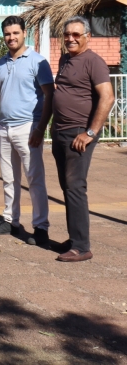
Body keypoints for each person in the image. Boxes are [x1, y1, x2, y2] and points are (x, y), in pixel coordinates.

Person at [0, 16, 54, 245]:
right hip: (4, 127)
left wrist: (41, 128)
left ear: (24, 34)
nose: (11, 37)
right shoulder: (1, 63)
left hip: (28, 127)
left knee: (35, 180)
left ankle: (40, 227)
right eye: (7, 34)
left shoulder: (37, 61)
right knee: (9, 179)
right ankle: (11, 221)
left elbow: (50, 95)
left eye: (15, 33)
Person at [49, 16, 114, 262]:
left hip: (79, 133)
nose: (70, 39)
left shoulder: (94, 62)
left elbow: (107, 98)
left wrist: (89, 133)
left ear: (88, 36)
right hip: (61, 131)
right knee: (67, 187)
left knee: (75, 187)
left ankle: (82, 247)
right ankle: (75, 237)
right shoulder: (66, 59)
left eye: (76, 34)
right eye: (67, 34)